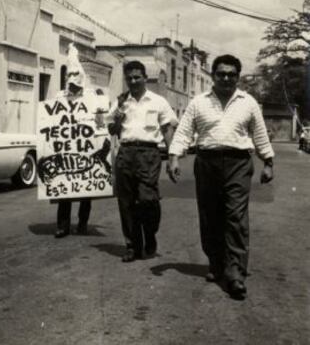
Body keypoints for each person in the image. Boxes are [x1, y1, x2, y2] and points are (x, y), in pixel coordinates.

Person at [167, 54, 274, 300]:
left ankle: (235, 272)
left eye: (231, 74)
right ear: (213, 76)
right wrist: (174, 157)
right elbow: (184, 132)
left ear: (237, 77)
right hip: (207, 163)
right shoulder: (198, 103)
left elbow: (259, 135)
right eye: (221, 74)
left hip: (238, 163)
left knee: (235, 217)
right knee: (210, 215)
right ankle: (216, 264)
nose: (226, 78)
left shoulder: (248, 102)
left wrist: (268, 162)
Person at [108, 60, 178, 262]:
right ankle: (132, 246)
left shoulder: (158, 101)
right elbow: (111, 130)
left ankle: (150, 233)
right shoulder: (121, 102)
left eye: (137, 77)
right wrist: (118, 118)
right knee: (126, 202)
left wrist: (172, 156)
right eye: (129, 78)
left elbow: (167, 128)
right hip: (126, 152)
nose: (133, 81)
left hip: (149, 153)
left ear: (145, 78)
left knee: (148, 199)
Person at [54, 44, 92, 238]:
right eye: (69, 75)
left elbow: (99, 122)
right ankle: (63, 225)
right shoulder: (59, 97)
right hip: (66, 148)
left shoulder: (91, 98)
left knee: (86, 187)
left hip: (85, 149)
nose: (72, 80)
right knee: (65, 187)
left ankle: (83, 223)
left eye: (75, 75)